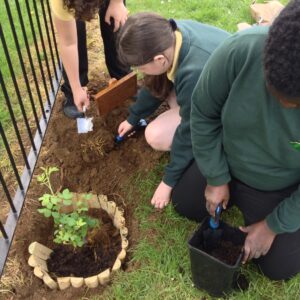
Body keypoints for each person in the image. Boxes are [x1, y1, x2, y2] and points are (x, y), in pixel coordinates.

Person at [172, 0, 300, 280]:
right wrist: (216, 176)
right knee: (183, 203)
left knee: (278, 268)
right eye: (273, 91)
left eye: (294, 103)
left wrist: (272, 225)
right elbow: (203, 113)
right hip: (228, 161)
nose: (284, 106)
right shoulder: (242, 48)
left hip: (279, 185)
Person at [116, 12, 230, 209]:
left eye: (141, 67)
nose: (140, 72)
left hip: (229, 112)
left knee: (155, 135)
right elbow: (156, 82)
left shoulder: (194, 74)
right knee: (169, 87)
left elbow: (190, 130)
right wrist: (134, 117)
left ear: (159, 59)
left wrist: (168, 181)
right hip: (211, 85)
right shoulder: (171, 34)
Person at [50, 0, 130, 118]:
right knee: (76, 31)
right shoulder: (60, 2)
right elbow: (68, 44)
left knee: (116, 20)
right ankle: (74, 91)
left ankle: (123, 78)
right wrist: (76, 88)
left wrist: (117, 3)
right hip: (69, 4)